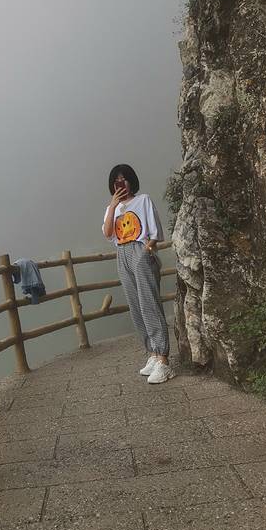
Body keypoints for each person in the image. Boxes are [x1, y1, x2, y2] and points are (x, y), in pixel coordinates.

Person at [102, 164, 174, 383]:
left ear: (131, 180)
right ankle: (152, 352)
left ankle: (163, 359)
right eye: (116, 180)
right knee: (136, 306)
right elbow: (108, 233)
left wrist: (146, 250)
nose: (120, 183)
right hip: (122, 254)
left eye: (124, 179)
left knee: (149, 303)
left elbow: (155, 232)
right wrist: (113, 206)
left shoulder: (143, 200)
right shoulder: (112, 208)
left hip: (140, 250)